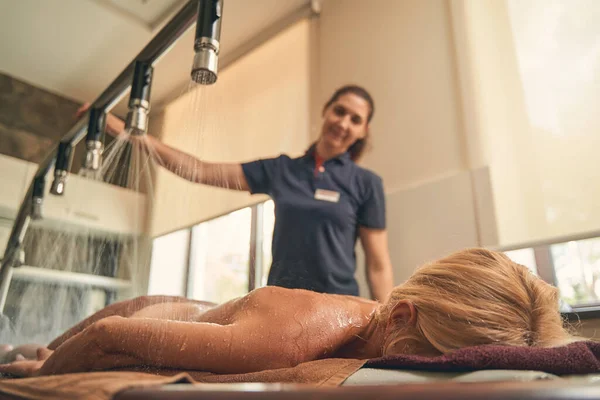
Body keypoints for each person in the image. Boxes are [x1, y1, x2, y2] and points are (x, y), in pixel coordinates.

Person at [0, 248, 577, 377]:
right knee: (34, 362)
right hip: (148, 312)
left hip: (190, 315)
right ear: (400, 317)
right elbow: (106, 336)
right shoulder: (295, 336)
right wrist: (43, 386)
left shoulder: (379, 325)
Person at [77, 85, 394, 301]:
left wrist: (386, 326)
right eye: (339, 111)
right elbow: (199, 170)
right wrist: (130, 133)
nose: (344, 123)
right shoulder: (281, 170)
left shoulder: (367, 183)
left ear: (363, 130)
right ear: (326, 111)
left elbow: (378, 265)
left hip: (339, 307)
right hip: (280, 306)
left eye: (356, 119)